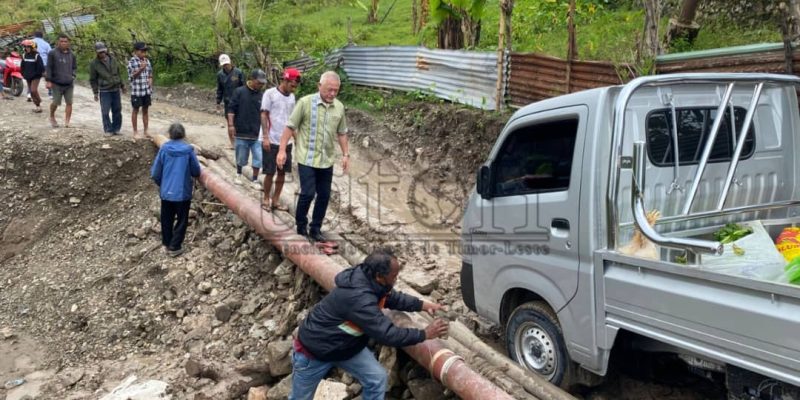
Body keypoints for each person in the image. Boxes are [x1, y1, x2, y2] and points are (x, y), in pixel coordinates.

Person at [290, 247, 449, 400]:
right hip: (314, 352)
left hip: (346, 347)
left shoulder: (370, 279)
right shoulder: (359, 299)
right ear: (380, 276)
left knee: (377, 378)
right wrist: (425, 334)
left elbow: (391, 297)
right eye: (394, 276)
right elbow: (388, 334)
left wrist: (423, 305)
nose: (396, 279)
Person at [276, 71, 349, 242]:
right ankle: (301, 225)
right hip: (307, 158)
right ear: (319, 86)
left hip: (326, 160)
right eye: (329, 90)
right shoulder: (305, 103)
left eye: (335, 91)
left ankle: (315, 228)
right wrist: (281, 150)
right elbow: (289, 127)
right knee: (308, 193)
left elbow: (342, 132)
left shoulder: (339, 107)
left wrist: (346, 154)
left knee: (324, 195)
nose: (332, 94)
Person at [150, 123, 201, 257]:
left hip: (166, 192)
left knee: (166, 218)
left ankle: (167, 243)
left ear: (169, 135)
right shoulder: (188, 150)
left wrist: (162, 184)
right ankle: (175, 246)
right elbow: (196, 171)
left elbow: (155, 173)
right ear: (183, 135)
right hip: (182, 192)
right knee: (182, 219)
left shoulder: (164, 149)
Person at [260, 67, 301, 212]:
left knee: (282, 173)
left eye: (296, 86)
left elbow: (292, 120)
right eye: (292, 84)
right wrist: (265, 137)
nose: (294, 88)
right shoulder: (270, 94)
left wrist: (296, 138)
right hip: (271, 139)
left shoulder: (291, 98)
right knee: (270, 172)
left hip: (286, 141)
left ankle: (275, 200)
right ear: (285, 80)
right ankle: (266, 198)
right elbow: (264, 115)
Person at [228, 69, 266, 185]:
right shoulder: (239, 92)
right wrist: (231, 125)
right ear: (252, 79)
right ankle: (238, 174)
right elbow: (231, 109)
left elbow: (265, 114)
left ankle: (254, 179)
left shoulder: (262, 95)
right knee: (241, 156)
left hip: (256, 133)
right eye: (259, 82)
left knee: (258, 158)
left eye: (262, 83)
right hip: (241, 131)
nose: (261, 85)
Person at [89, 42, 125, 135]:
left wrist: (122, 86)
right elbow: (93, 79)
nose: (102, 53)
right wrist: (95, 93)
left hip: (115, 89)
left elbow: (118, 73)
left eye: (103, 51)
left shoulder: (113, 59)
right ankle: (108, 129)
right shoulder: (94, 63)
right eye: (100, 52)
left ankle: (116, 129)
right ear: (97, 52)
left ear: (106, 50)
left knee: (117, 110)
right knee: (105, 111)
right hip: (105, 90)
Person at [45, 34, 77, 128]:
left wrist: (73, 76)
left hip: (69, 83)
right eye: (61, 41)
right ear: (58, 42)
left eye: (65, 41)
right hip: (56, 83)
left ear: (68, 43)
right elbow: (49, 67)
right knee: (56, 102)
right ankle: (51, 116)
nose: (63, 43)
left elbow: (74, 67)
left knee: (69, 102)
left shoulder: (72, 54)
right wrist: (48, 80)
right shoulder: (52, 53)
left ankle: (67, 122)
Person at [215, 54, 244, 144]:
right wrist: (218, 102)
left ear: (230, 62)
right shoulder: (220, 75)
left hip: (239, 101)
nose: (226, 66)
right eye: (224, 65)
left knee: (239, 120)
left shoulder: (238, 72)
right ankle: (232, 142)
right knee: (230, 122)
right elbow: (220, 89)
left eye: (226, 64)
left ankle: (240, 140)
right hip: (228, 102)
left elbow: (244, 87)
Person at [127, 41, 153, 139]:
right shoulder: (132, 62)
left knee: (145, 110)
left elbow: (150, 74)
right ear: (136, 51)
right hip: (137, 91)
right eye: (142, 51)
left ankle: (146, 130)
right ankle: (135, 132)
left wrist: (150, 80)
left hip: (146, 90)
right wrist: (141, 69)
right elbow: (132, 77)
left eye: (145, 51)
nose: (144, 53)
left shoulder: (147, 61)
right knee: (135, 110)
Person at [20, 40, 44, 113]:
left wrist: (35, 74)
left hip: (36, 76)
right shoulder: (24, 55)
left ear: (32, 47)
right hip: (28, 77)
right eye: (25, 47)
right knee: (31, 92)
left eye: (28, 47)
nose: (26, 48)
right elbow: (22, 66)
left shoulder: (37, 56)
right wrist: (23, 74)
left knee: (33, 90)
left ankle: (39, 100)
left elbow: (41, 68)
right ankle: (38, 106)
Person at [32, 31, 51, 98]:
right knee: (48, 78)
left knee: (32, 78)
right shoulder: (46, 44)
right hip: (44, 63)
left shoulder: (31, 42)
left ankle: (30, 93)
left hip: (33, 63)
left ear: (34, 35)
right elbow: (50, 54)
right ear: (42, 36)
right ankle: (50, 93)